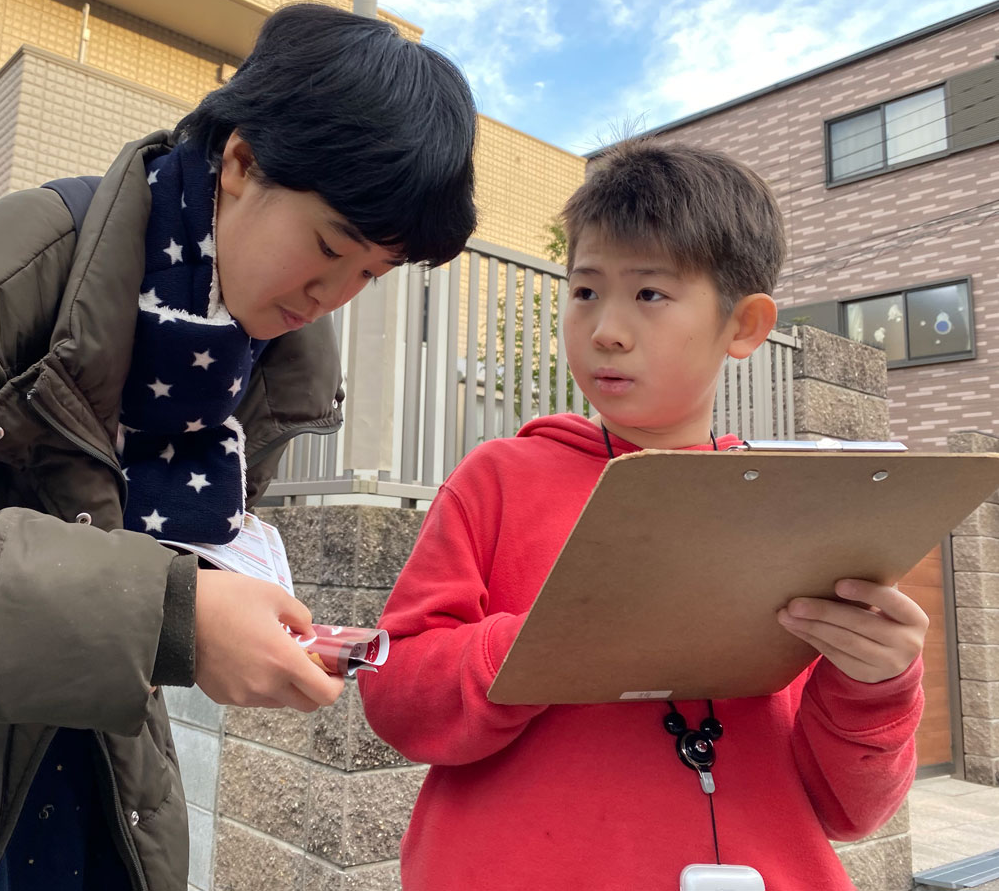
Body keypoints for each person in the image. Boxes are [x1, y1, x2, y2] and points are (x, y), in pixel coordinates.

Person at [0, 3, 477, 891]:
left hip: (94, 767)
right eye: (329, 247)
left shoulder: (257, 353)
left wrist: (209, 608)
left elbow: (135, 558)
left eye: (370, 274)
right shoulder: (27, 256)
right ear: (241, 163)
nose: (330, 295)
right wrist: (168, 617)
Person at [358, 139, 926, 890]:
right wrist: (533, 647)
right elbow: (394, 692)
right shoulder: (496, 480)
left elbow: (849, 809)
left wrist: (878, 684)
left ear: (744, 325)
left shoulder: (795, 505)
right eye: (585, 291)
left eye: (650, 294)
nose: (606, 329)